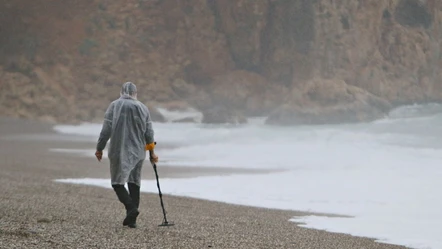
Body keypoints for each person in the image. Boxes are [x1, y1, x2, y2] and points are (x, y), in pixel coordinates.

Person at [95, 81, 158, 228]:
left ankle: (131, 209)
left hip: (119, 150)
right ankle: (132, 221)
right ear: (135, 93)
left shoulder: (114, 106)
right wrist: (152, 153)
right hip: (138, 151)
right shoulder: (143, 108)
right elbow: (149, 133)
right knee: (134, 182)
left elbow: (106, 130)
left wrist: (99, 148)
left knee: (117, 182)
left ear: (121, 91)